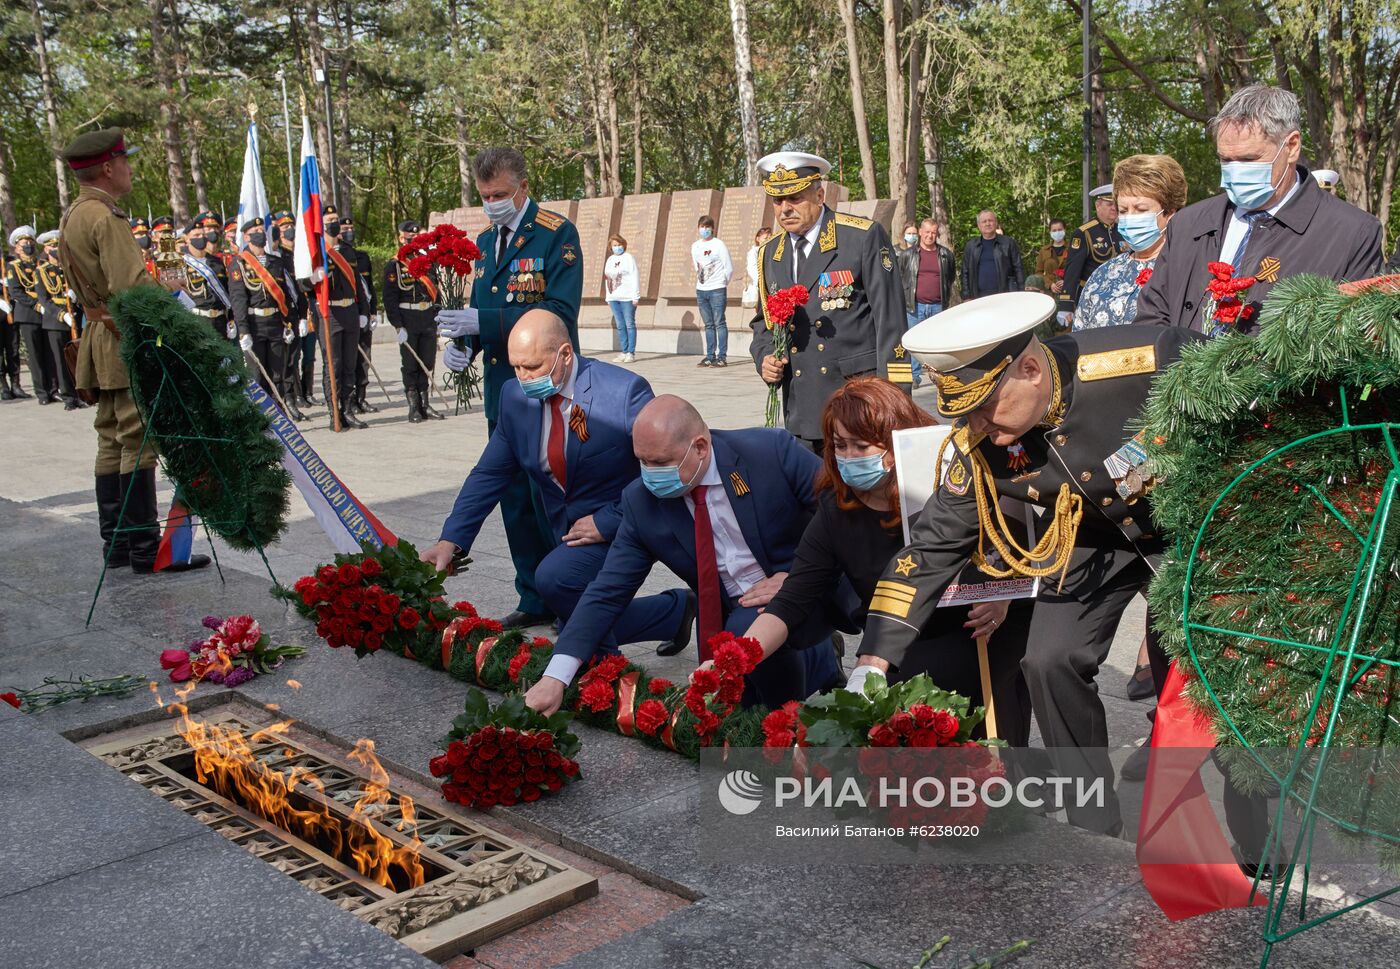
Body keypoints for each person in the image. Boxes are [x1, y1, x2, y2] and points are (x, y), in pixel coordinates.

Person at [848, 292, 1197, 834]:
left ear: (1030, 369)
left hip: (1190, 530)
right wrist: (873, 662)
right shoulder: (979, 445)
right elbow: (931, 549)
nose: (978, 425)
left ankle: (1256, 835)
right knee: (1048, 661)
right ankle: (1091, 824)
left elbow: (1248, 413)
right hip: (1088, 538)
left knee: (1208, 672)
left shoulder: (1150, 357)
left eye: (985, 407)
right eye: (964, 412)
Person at [739, 377, 1033, 745]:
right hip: (896, 638)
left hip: (975, 628)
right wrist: (734, 661)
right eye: (839, 446)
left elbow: (1014, 538)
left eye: (861, 446)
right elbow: (794, 597)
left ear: (894, 444)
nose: (847, 458)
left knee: (983, 744)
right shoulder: (835, 508)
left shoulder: (950, 481)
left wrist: (1002, 592)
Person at [522, 395, 846, 715]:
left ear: (700, 447)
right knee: (736, 693)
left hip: (802, 586)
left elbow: (843, 512)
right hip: (730, 607)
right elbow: (607, 591)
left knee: (756, 696)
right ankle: (820, 659)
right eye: (642, 461)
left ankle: (785, 716)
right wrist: (556, 676)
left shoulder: (769, 453)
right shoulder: (641, 502)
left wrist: (799, 578)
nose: (650, 474)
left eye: (661, 462)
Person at [421, 310, 693, 651]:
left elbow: (663, 468)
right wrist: (451, 540)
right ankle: (673, 612)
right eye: (516, 367)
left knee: (556, 582)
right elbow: (490, 473)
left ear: (565, 354)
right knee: (573, 623)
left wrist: (608, 520)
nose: (522, 377)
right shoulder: (514, 397)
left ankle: (605, 677)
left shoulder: (622, 393)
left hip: (627, 521)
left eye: (532, 367)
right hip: (568, 527)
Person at [436, 146, 583, 628]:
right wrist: (466, 346)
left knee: (553, 499)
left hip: (548, 386)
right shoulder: (482, 243)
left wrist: (486, 319)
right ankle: (533, 594)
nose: (492, 202)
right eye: (484, 195)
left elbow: (558, 312)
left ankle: (570, 596)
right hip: (505, 391)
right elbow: (481, 316)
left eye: (500, 193)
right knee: (514, 499)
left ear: (523, 186)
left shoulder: (555, 234)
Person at [56, 127, 209, 574]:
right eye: (125, 161)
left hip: (99, 335)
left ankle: (120, 546)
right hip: (123, 336)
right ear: (108, 166)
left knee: (111, 438)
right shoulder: (105, 216)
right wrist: (170, 285)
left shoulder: (74, 214)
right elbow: (132, 290)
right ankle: (144, 549)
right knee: (139, 439)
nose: (129, 168)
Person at [1135, 85, 1383, 335]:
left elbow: (1354, 344)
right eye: (1225, 159)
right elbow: (1152, 319)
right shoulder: (1188, 224)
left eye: (1249, 159)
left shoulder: (1352, 233)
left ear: (1292, 146)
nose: (1234, 170)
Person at [749, 151, 911, 450]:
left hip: (856, 400)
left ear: (819, 194)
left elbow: (891, 322)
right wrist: (765, 357)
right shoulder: (770, 253)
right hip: (801, 404)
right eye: (777, 200)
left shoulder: (861, 238)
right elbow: (764, 323)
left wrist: (895, 399)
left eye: (795, 198)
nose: (785, 209)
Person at [1076, 154, 1187, 331]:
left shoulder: (1186, 272)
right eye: (1123, 210)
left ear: (1171, 213)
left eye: (1140, 209)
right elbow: (1080, 335)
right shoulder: (1103, 274)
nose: (1130, 218)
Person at [228, 217, 299, 417]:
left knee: (278, 373)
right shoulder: (239, 264)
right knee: (257, 376)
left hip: (276, 323)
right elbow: (238, 299)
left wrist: (290, 323)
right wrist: (243, 331)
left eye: (262, 230)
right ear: (246, 236)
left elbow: (285, 296)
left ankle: (278, 415)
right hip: (254, 325)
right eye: (255, 231)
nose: (260, 234)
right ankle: (259, 418)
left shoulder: (275, 262)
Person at [384, 219, 445, 422]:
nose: (413, 240)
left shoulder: (428, 261)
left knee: (427, 362)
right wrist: (397, 325)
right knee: (410, 363)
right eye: (410, 237)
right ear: (401, 238)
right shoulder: (395, 264)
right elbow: (390, 298)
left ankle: (426, 404)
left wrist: (439, 317)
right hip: (407, 319)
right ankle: (414, 406)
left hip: (427, 316)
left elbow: (435, 291)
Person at [319, 208, 373, 429]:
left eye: (335, 220)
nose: (334, 223)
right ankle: (334, 413)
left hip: (350, 311)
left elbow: (358, 286)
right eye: (329, 220)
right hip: (330, 314)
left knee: (350, 365)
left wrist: (363, 311)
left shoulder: (349, 252)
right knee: (333, 365)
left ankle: (348, 410)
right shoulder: (318, 252)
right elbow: (306, 285)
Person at [897, 217, 956, 388]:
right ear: (920, 233)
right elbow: (901, 278)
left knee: (937, 341)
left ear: (937, 234)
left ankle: (938, 373)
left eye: (933, 232)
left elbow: (950, 278)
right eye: (927, 232)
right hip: (915, 306)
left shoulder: (946, 255)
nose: (930, 235)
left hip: (938, 305)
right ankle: (915, 376)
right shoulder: (907, 255)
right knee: (914, 342)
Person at [34, 229, 83, 410]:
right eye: (53, 246)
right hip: (56, 321)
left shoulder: (67, 267)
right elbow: (44, 300)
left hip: (74, 318)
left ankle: (80, 394)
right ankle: (68, 396)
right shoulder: (41, 271)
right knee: (62, 361)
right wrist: (62, 315)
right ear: (46, 250)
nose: (56, 249)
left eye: (58, 245)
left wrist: (76, 296)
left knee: (76, 358)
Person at [271, 211, 313, 413]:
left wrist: (304, 315)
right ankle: (287, 398)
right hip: (278, 315)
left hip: (296, 313)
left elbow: (299, 289)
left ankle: (297, 396)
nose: (289, 230)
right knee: (285, 361)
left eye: (291, 226)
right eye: (283, 227)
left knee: (296, 356)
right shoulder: (276, 258)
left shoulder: (297, 255)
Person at [7, 226, 54, 403]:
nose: (27, 245)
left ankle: (53, 388)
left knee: (49, 353)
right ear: (17, 247)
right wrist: (36, 305)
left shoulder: (41, 265)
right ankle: (42, 392)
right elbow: (16, 292)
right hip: (27, 314)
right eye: (23, 243)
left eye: (30, 242)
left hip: (46, 313)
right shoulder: (14, 267)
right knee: (34, 355)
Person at [1062, 185, 1127, 306]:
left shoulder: (1123, 231)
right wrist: (1066, 302)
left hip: (1120, 297)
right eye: (1109, 204)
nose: (1114, 208)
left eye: (1116, 204)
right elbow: (1073, 269)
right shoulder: (1084, 233)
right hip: (1092, 297)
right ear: (1098, 206)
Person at [180, 217, 234, 343]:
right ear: (187, 239)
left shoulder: (217, 262)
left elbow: (227, 291)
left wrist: (231, 319)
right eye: (197, 235)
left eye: (203, 234)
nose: (201, 237)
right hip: (198, 320)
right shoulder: (182, 263)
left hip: (220, 320)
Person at [692, 214, 732, 368]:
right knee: (708, 325)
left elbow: (728, 267)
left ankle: (721, 357)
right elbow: (697, 266)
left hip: (717, 289)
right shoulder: (695, 246)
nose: (705, 230)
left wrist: (722, 282)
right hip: (702, 289)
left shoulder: (718, 245)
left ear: (713, 229)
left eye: (707, 227)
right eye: (702, 227)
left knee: (719, 323)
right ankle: (710, 356)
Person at [959, 209, 1024, 299]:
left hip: (1004, 296)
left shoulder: (1008, 243)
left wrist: (1022, 292)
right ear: (979, 225)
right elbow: (965, 272)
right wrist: (966, 296)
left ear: (996, 223)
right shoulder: (971, 246)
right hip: (978, 297)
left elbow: (1018, 268)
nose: (987, 223)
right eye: (984, 221)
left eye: (990, 220)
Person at [603, 233, 639, 363]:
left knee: (629, 324)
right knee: (620, 325)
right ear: (610, 247)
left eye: (619, 245)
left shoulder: (629, 258)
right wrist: (608, 297)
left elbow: (635, 276)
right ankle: (624, 351)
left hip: (627, 297)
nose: (617, 247)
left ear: (623, 245)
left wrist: (636, 296)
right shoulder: (610, 260)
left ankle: (631, 352)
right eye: (614, 245)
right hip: (614, 297)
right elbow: (607, 279)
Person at [741, 226, 771, 308]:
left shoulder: (771, 251)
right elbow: (752, 269)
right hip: (761, 286)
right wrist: (761, 282)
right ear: (758, 239)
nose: (768, 240)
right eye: (765, 238)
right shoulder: (753, 253)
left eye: (770, 237)